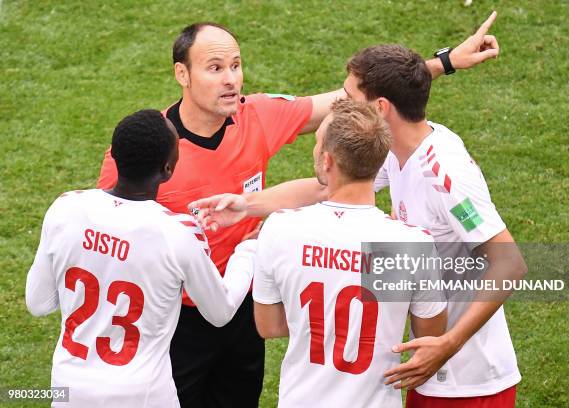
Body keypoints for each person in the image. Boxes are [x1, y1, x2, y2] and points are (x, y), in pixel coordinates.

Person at [98, 15, 501, 408]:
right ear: (182, 74)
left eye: (236, 66)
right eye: (215, 68)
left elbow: (361, 100)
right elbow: (113, 237)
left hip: (244, 306)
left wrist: (442, 63)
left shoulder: (257, 115)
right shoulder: (144, 149)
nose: (230, 79)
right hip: (176, 316)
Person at [26, 110, 255, 408]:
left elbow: (38, 303)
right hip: (143, 396)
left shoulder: (65, 208)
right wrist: (248, 251)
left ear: (116, 157)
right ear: (168, 169)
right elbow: (220, 311)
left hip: (69, 390)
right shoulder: (177, 233)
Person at [341, 44, 528, 407]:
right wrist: (255, 211)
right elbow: (331, 187)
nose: (341, 109)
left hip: (470, 383)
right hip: (430, 371)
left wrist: (449, 344)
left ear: (380, 108)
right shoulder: (395, 150)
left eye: (349, 99)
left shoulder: (445, 173)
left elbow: (510, 262)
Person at [253, 99, 448, 408]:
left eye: (317, 145)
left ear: (327, 161)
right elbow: (429, 336)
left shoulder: (279, 229)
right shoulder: (410, 244)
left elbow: (270, 326)